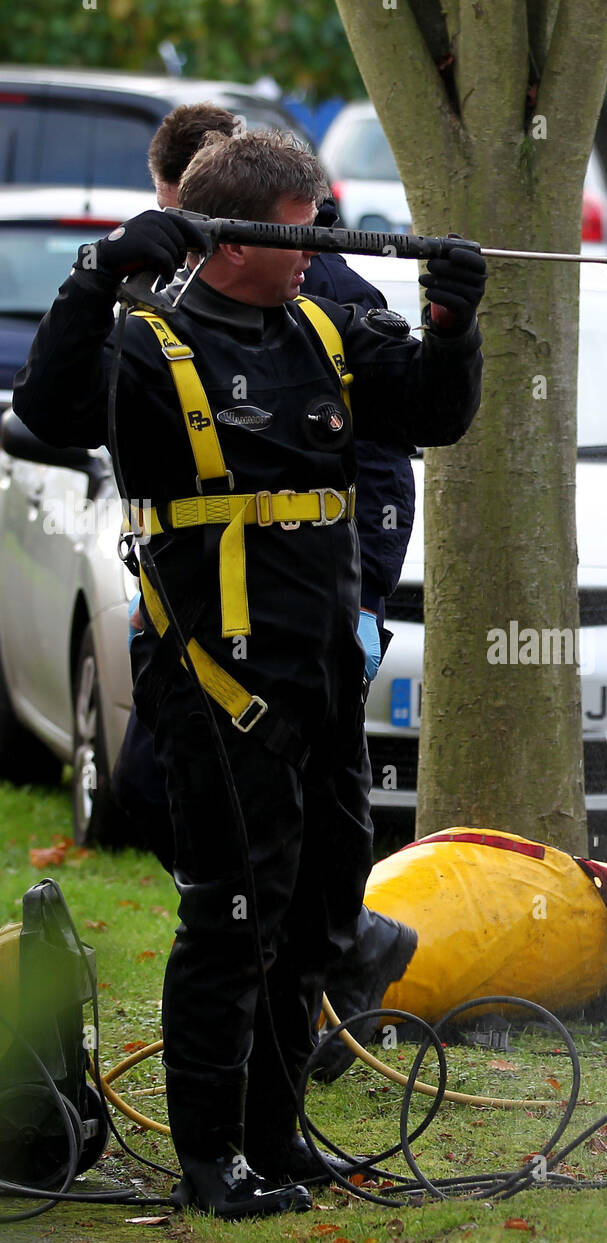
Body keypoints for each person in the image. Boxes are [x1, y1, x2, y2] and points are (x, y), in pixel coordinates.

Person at [14, 130, 485, 1217]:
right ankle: (210, 1161)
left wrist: (454, 324)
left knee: (318, 915)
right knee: (232, 918)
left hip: (320, 681)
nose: (318, 249)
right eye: (300, 231)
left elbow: (434, 414)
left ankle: (276, 1140)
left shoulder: (324, 327)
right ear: (234, 240)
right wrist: (96, 275)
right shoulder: (149, 342)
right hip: (217, 683)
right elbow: (46, 411)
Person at [113, 104, 420, 1075]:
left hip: (311, 618)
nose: (185, 241)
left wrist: (362, 600)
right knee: (164, 801)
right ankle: (331, 963)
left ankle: (335, 966)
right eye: (172, 216)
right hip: (207, 621)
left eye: (192, 219)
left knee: (301, 844)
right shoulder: (176, 295)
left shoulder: (319, 289)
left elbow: (385, 459)